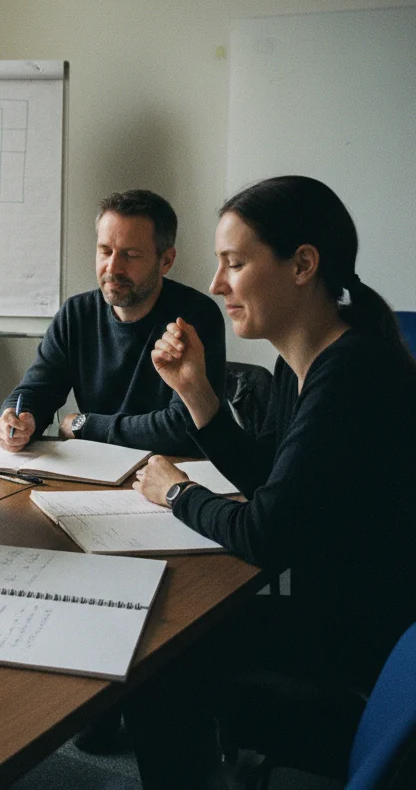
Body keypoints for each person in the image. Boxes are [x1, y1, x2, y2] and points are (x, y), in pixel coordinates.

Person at [126, 175, 416, 789]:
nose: (216, 284)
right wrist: (197, 394)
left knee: (160, 662)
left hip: (359, 646)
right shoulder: (308, 358)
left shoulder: (351, 376)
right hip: (341, 615)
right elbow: (275, 480)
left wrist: (176, 492)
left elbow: (265, 532)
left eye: (234, 263)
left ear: (302, 264)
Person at [0, 189, 226, 455]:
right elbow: (37, 390)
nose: (113, 268)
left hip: (173, 472)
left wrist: (84, 425)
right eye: (105, 251)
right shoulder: (76, 313)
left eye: (130, 255)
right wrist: (17, 419)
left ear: (166, 260)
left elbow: (183, 427)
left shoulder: (195, 316)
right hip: (98, 468)